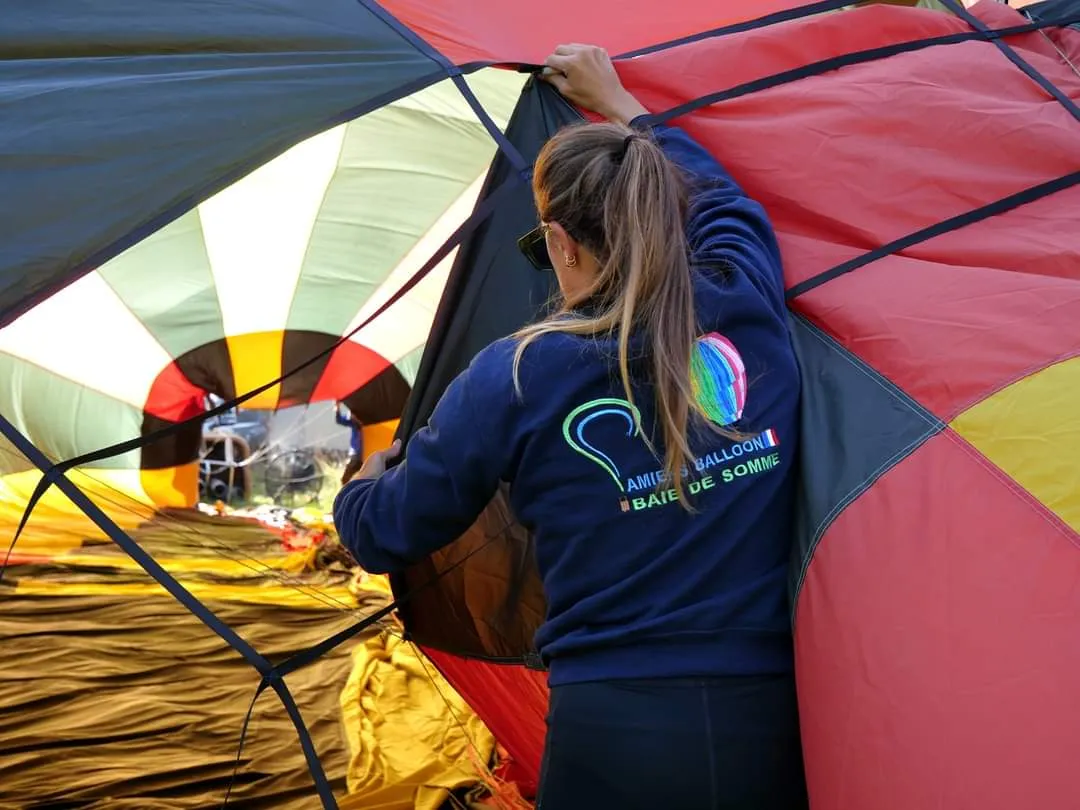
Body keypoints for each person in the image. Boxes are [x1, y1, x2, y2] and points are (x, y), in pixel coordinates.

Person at [335, 44, 807, 809]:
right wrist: (623, 105)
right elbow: (722, 197)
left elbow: (384, 531)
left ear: (559, 243)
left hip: (613, 727)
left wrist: (362, 485)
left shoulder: (516, 374)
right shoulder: (745, 296)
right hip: (777, 717)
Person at [334, 402, 365, 484]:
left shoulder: (364, 422)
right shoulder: (352, 422)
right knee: (346, 479)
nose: (351, 416)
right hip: (356, 454)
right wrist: (337, 408)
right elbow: (339, 420)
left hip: (363, 455)